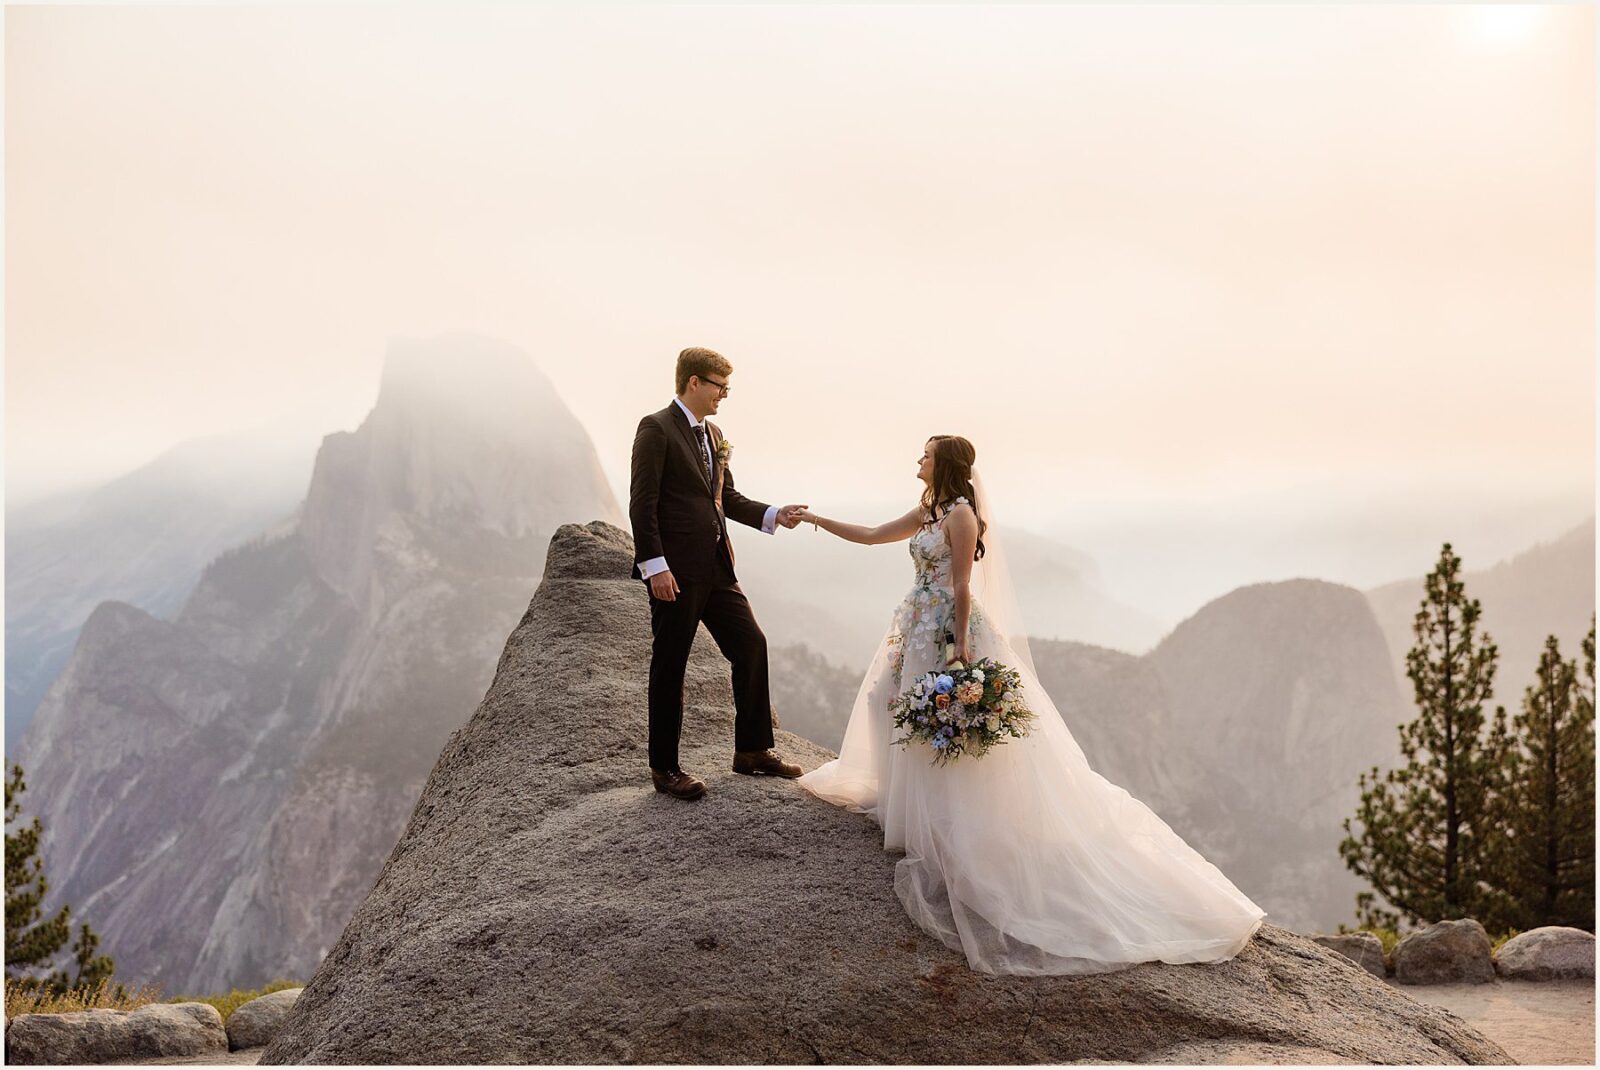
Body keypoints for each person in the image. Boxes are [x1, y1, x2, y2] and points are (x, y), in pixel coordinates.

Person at [795, 435, 1267, 975]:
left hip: (946, 629)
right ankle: (905, 813)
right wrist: (815, 520)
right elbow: (874, 534)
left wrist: (961, 648)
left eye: (924, 455)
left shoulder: (962, 515)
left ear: (942, 464)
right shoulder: (930, 509)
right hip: (914, 622)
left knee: (931, 722)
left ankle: (946, 827)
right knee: (891, 704)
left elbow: (964, 584)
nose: (916, 461)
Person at [628, 347, 808, 801]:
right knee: (671, 663)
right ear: (693, 382)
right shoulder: (655, 428)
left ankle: (751, 751)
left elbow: (726, 497)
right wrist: (656, 568)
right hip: (676, 571)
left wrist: (774, 514)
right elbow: (642, 504)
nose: (723, 396)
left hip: (717, 567)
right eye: (718, 386)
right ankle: (664, 768)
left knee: (751, 644)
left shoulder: (715, 433)